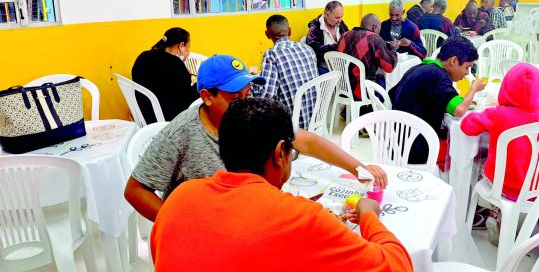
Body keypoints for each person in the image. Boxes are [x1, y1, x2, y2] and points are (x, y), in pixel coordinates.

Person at [150, 98, 413, 272]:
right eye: (292, 152)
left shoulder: (178, 198)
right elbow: (397, 266)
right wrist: (369, 214)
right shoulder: (302, 218)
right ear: (280, 153)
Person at [125, 55, 387, 222]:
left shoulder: (248, 118)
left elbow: (306, 141)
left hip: (250, 215)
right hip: (209, 223)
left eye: (248, 93)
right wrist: (175, 224)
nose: (244, 102)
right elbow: (135, 190)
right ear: (207, 97)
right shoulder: (181, 132)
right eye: (234, 98)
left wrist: (358, 167)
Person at [461, 63, 539, 245]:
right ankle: (532, 225)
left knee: (484, 164)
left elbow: (467, 127)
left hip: (503, 185)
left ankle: (496, 213)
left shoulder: (497, 114)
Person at [390, 35, 485, 173]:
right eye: (467, 67)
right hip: (416, 147)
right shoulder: (439, 75)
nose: (466, 73)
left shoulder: (422, 66)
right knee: (466, 150)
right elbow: (459, 110)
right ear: (453, 61)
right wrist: (474, 88)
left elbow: (392, 94)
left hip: (399, 140)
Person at [254, 14, 318, 130]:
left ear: (267, 34)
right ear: (289, 31)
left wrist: (254, 85)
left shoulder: (272, 54)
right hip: (315, 119)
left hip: (292, 124)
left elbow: (267, 96)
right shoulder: (308, 49)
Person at [132, 27, 198, 124]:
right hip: (166, 118)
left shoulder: (143, 56)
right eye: (188, 47)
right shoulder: (175, 65)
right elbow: (185, 98)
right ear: (181, 45)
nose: (188, 52)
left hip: (144, 114)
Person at [337, 14, 398, 100]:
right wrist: (393, 49)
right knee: (382, 78)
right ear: (374, 27)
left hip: (343, 88)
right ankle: (378, 109)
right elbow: (389, 67)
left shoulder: (344, 36)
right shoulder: (374, 38)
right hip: (362, 91)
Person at [306, 1, 349, 73]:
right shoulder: (315, 28)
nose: (340, 20)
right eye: (337, 17)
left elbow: (348, 39)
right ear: (326, 14)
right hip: (324, 69)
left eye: (341, 17)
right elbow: (314, 51)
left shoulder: (341, 24)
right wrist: (338, 46)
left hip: (342, 66)